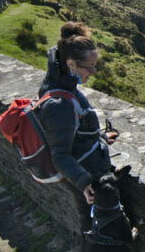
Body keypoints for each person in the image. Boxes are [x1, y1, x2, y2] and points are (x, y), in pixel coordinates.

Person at [36, 21, 119, 234]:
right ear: (71, 64)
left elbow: (72, 130)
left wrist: (98, 137)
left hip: (89, 167)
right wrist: (83, 184)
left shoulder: (60, 81)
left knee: (98, 225)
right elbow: (60, 154)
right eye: (89, 67)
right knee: (93, 228)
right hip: (87, 178)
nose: (93, 72)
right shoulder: (59, 104)